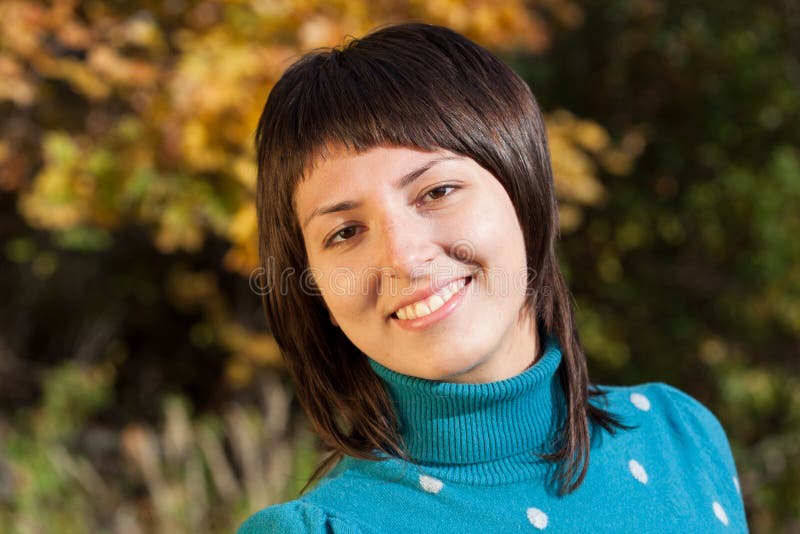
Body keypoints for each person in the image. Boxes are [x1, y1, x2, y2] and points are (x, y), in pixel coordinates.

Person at [238, 22, 747, 533]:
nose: (406, 258)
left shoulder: (681, 437)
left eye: (437, 192)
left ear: (524, 190)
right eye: (346, 231)